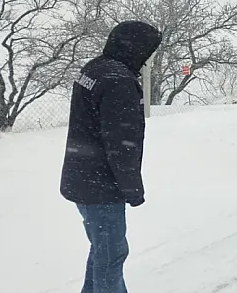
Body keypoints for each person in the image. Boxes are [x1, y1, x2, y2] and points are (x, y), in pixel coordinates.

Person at [60, 20, 162, 293]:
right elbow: (121, 145)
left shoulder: (94, 68)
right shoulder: (119, 82)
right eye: (147, 51)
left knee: (102, 250)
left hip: (82, 177)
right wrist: (132, 189)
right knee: (111, 255)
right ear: (134, 47)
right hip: (102, 186)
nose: (146, 58)